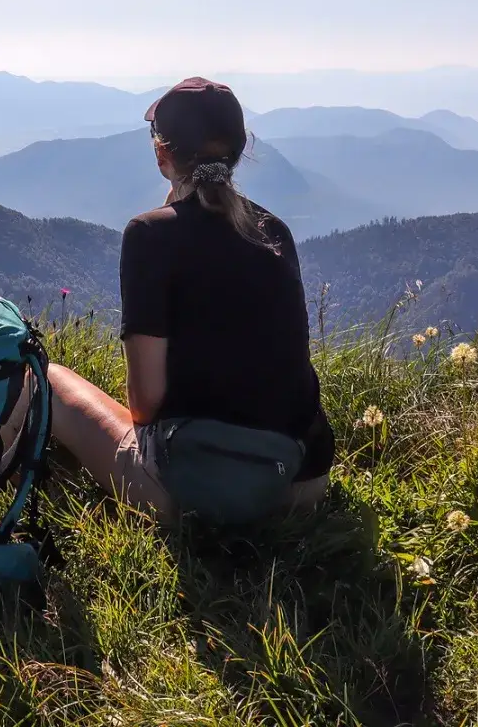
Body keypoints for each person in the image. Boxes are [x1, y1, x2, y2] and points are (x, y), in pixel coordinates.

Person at [48, 77, 335, 524]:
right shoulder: (273, 231)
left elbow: (145, 404)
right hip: (302, 484)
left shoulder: (148, 235)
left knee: (50, 380)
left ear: (161, 154)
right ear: (240, 151)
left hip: (200, 493)